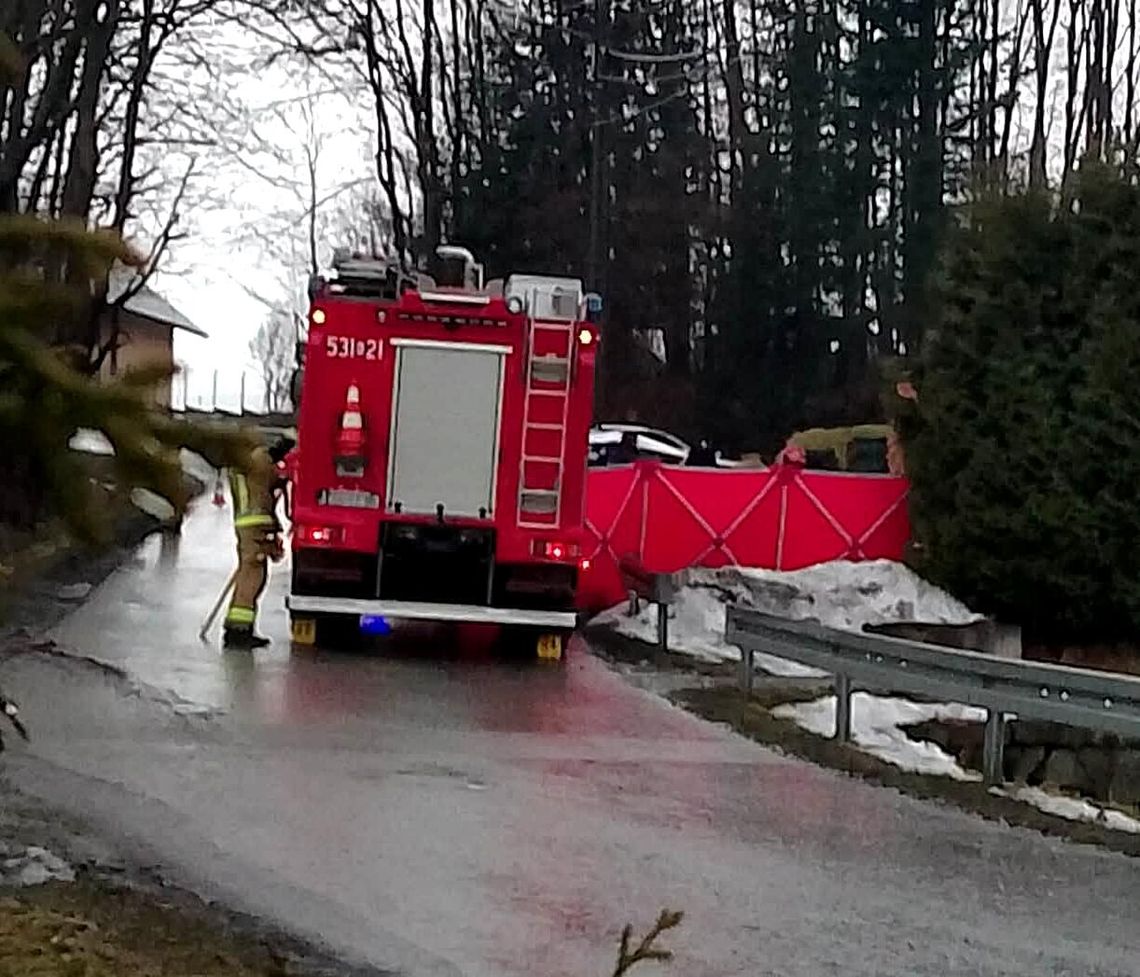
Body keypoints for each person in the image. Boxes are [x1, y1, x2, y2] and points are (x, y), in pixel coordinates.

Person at [222, 435, 295, 649]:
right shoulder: (258, 459)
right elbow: (272, 478)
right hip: (255, 524)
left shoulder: (243, 461)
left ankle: (239, 627)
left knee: (250, 574)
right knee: (252, 577)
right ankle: (239, 631)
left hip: (249, 524)